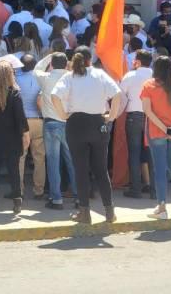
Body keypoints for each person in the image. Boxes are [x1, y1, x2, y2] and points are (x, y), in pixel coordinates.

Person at [52, 47, 121, 224]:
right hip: (98, 122)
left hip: (76, 124)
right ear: (91, 59)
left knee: (80, 170)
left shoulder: (69, 76)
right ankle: (109, 211)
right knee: (101, 170)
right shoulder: (100, 74)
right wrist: (111, 116)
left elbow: (55, 96)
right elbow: (117, 94)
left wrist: (63, 115)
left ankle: (84, 212)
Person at [140, 55, 171, 219]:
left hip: (157, 132)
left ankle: (162, 208)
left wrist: (165, 129)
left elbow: (148, 111)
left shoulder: (148, 86)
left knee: (160, 170)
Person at [0, 61, 30, 214]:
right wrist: (25, 134)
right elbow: (20, 117)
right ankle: (17, 202)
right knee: (13, 169)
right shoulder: (14, 93)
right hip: (12, 136)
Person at [33, 53, 77, 209]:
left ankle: (56, 198)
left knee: (53, 162)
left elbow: (36, 69)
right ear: (66, 64)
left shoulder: (46, 77)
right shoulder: (72, 78)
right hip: (69, 123)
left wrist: (48, 56)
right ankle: (79, 197)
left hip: (51, 123)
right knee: (72, 161)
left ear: (51, 64)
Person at [120, 50, 154, 198]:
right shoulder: (156, 76)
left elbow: (121, 95)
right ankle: (154, 189)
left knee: (134, 152)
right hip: (153, 117)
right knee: (152, 153)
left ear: (138, 61)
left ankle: (135, 189)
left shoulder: (130, 75)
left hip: (134, 116)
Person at [15, 54, 45, 199]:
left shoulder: (16, 80)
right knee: (39, 158)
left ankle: (19, 190)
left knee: (21, 157)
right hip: (38, 120)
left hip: (22, 122)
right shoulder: (42, 79)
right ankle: (39, 189)